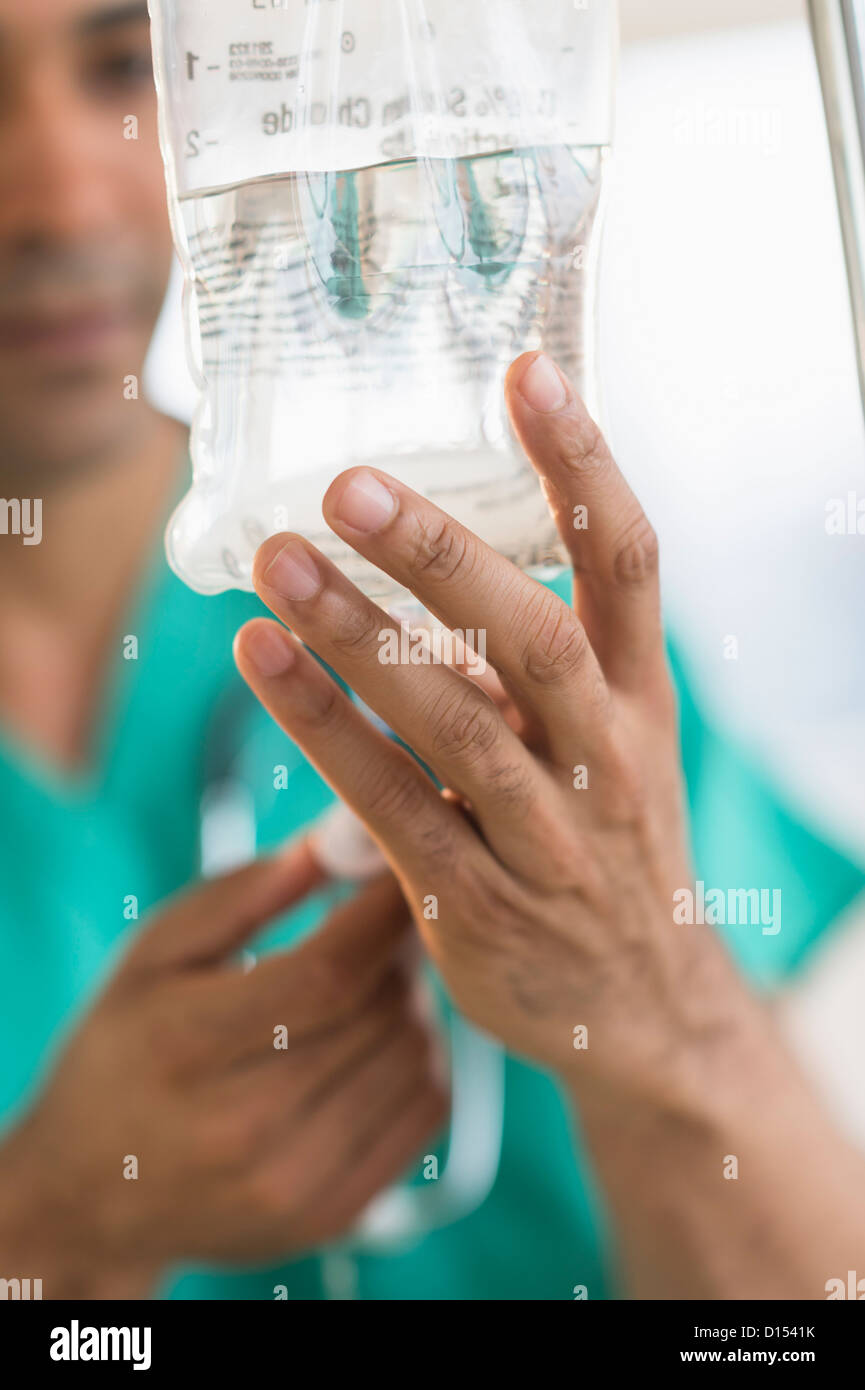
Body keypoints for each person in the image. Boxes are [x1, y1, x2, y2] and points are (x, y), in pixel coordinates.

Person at [0, 0, 862, 1301]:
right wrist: (54, 1222)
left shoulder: (515, 638)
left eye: (124, 63)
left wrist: (657, 1008)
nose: (59, 201)